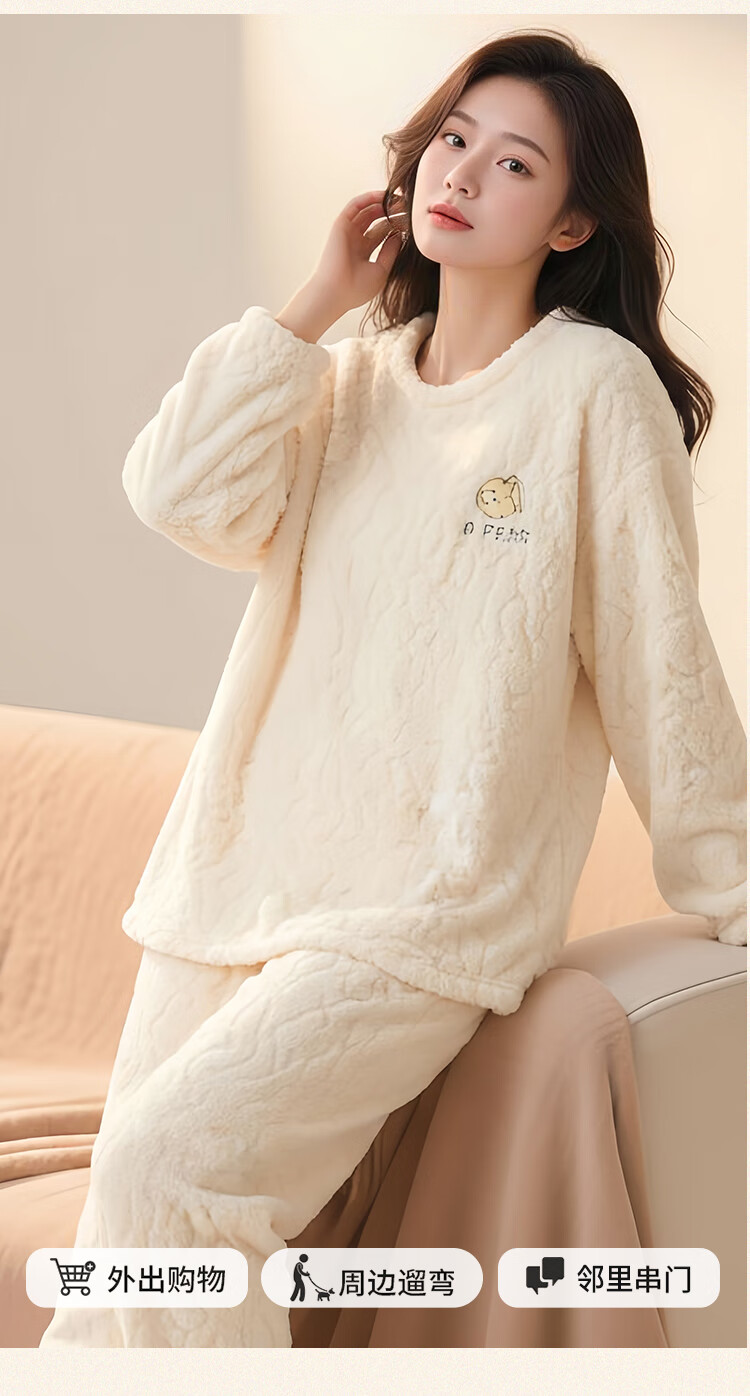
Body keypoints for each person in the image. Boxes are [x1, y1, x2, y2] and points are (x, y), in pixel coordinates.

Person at [39, 30, 746, 1349]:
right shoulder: (351, 377)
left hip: (418, 913)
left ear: (573, 221)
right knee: (124, 1265)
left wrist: (734, 882)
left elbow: (659, 657)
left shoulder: (593, 395)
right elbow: (178, 495)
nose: (462, 174)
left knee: (165, 1171)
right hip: (229, 886)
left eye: (515, 162)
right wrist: (314, 302)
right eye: (453, 141)